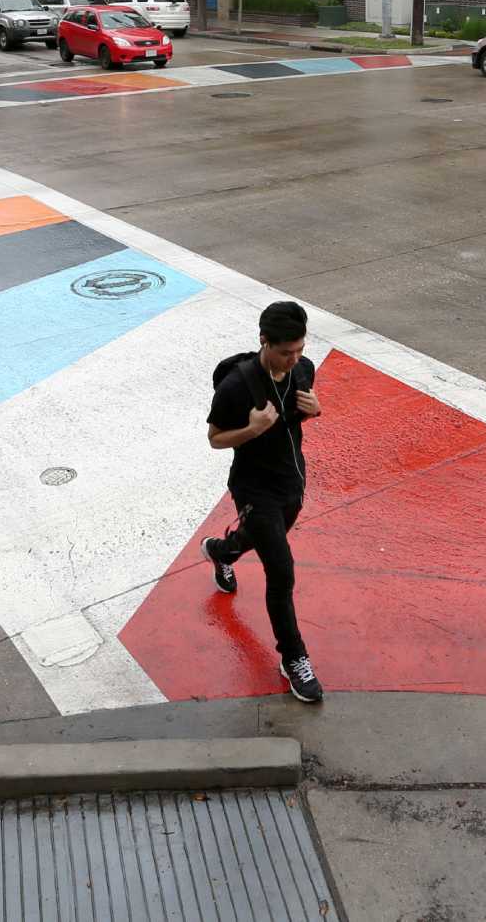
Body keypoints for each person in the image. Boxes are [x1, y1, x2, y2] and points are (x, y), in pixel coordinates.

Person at [203, 300, 324, 703]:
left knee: (257, 538)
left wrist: (315, 409)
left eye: (300, 350)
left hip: (293, 483)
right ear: (263, 341)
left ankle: (221, 551)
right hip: (253, 488)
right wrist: (251, 429)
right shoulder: (237, 386)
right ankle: (294, 659)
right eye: (285, 351)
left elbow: (301, 409)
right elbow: (215, 438)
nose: (294, 360)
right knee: (282, 571)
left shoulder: (303, 370)